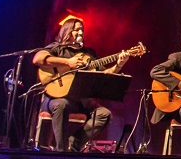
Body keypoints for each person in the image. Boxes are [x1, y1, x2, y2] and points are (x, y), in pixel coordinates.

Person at [33, 16, 129, 151]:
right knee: (62, 105)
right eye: (76, 30)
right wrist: (67, 62)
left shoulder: (88, 53)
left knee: (104, 114)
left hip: (81, 101)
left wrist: (119, 65)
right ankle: (61, 151)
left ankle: (75, 144)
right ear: (67, 31)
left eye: (82, 30)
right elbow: (37, 59)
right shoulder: (57, 48)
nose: (80, 33)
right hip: (56, 98)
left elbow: (104, 73)